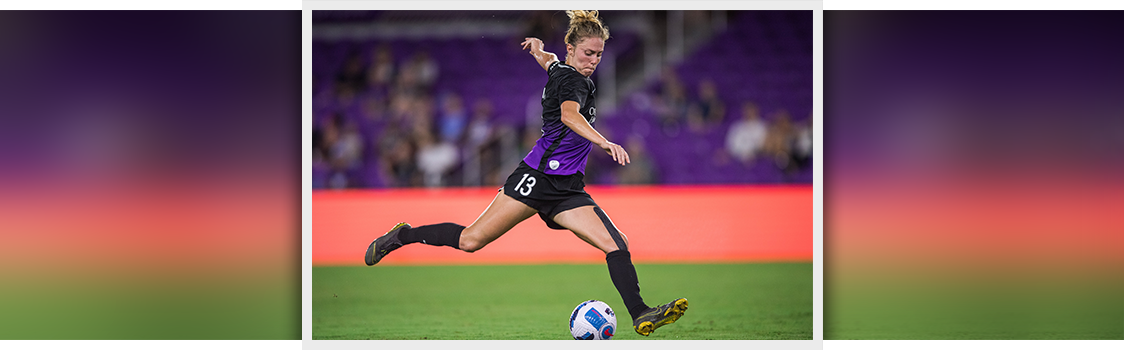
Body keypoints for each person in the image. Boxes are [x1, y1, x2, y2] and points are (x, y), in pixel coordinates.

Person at [364, 10, 687, 337]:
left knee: (616, 243)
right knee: (470, 240)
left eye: (599, 55)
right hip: (536, 178)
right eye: (588, 53)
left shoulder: (562, 69)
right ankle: (403, 235)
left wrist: (537, 50)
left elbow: (550, 62)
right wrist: (604, 142)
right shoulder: (574, 81)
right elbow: (569, 116)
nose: (593, 61)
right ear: (571, 49)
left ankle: (641, 313)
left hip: (567, 189)